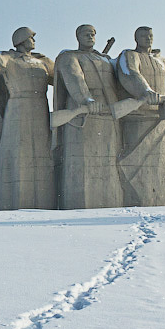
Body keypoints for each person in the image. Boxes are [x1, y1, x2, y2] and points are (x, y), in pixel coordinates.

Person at [0, 27, 56, 210]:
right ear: (21, 40)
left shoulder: (42, 61)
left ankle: (45, 201)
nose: (34, 41)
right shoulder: (10, 58)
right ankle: (14, 200)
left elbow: (60, 77)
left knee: (42, 153)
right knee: (17, 152)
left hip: (40, 107)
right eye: (31, 37)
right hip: (18, 107)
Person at [53, 24, 123, 209]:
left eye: (93, 34)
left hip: (107, 112)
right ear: (78, 37)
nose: (90, 36)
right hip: (82, 115)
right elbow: (75, 79)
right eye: (86, 34)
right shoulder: (69, 57)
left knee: (108, 161)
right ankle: (78, 205)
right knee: (82, 163)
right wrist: (86, 99)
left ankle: (109, 203)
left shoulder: (105, 59)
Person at [115, 26, 165, 206]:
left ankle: (158, 204)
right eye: (143, 36)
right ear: (136, 38)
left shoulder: (162, 61)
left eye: (150, 35)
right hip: (139, 118)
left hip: (162, 119)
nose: (148, 38)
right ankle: (135, 203)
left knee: (160, 169)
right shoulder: (129, 55)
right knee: (133, 166)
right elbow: (130, 74)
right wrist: (146, 91)